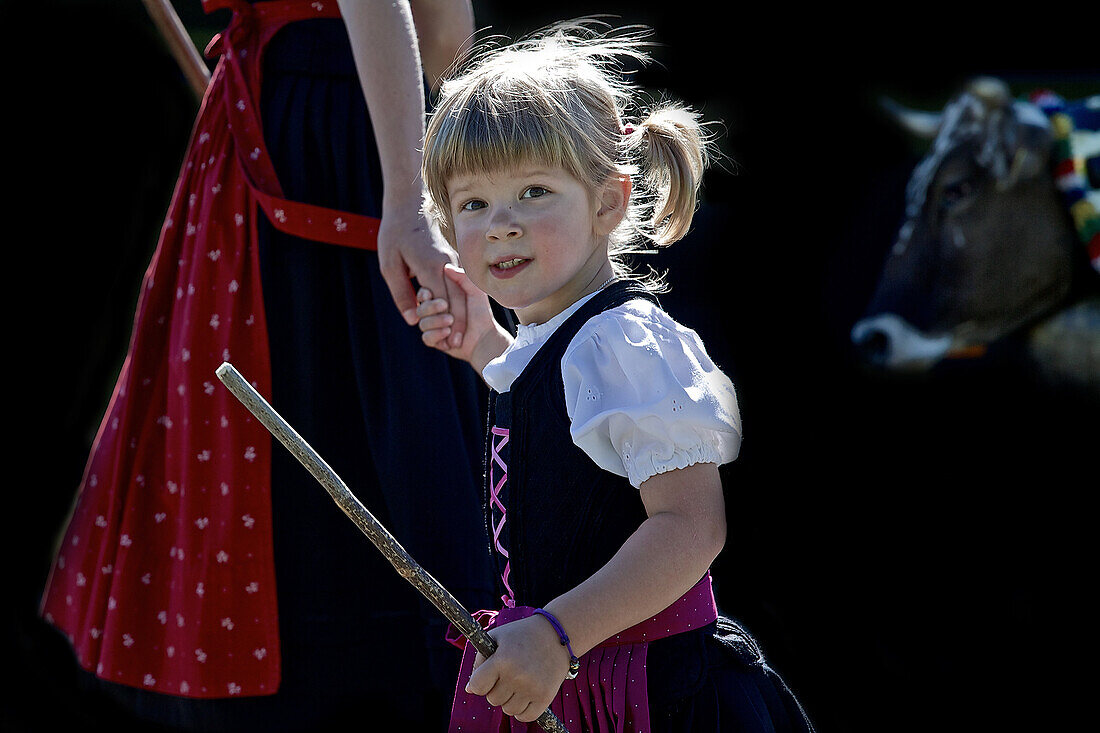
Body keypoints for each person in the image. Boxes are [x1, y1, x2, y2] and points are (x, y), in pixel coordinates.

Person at [38, 0, 494, 730]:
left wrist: (406, 202)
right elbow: (445, 42)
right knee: (402, 427)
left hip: (309, 137)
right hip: (368, 129)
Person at [412, 20, 816, 731]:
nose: (501, 224)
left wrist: (556, 632)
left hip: (647, 693)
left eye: (534, 191)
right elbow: (555, 415)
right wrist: (483, 345)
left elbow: (691, 525)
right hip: (571, 676)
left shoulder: (625, 343)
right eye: (473, 203)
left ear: (608, 203)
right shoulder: (558, 342)